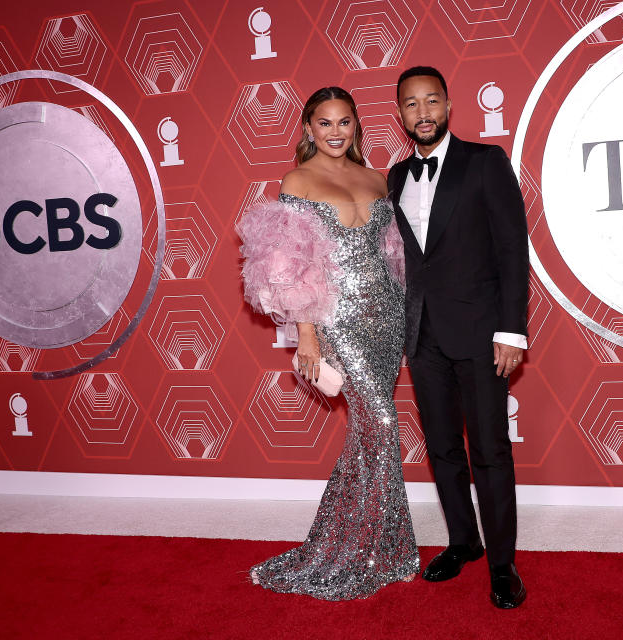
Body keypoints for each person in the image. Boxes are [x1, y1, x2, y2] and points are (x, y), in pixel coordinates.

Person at [237, 86, 419, 600]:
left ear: (356, 126)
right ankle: (381, 548)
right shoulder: (298, 180)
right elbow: (293, 266)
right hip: (335, 317)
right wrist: (308, 336)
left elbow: (393, 258)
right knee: (383, 420)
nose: (335, 132)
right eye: (325, 123)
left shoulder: (376, 177)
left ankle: (373, 545)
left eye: (344, 123)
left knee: (367, 432)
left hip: (386, 314)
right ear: (308, 128)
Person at [387, 66, 529, 609]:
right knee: (444, 451)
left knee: (490, 451)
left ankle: (502, 563)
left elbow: (512, 253)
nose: (421, 113)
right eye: (410, 105)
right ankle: (463, 542)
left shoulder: (485, 163)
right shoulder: (395, 178)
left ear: (448, 105)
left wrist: (511, 329)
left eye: (430, 102)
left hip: (481, 332)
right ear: (399, 113)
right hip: (421, 335)